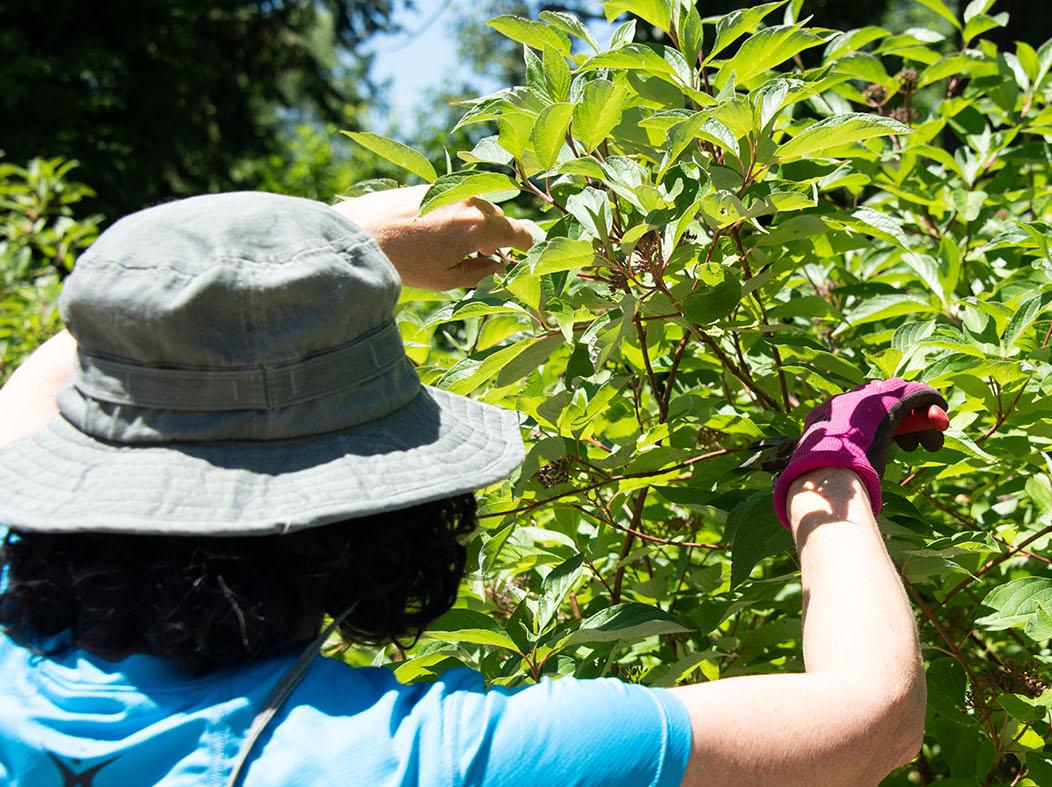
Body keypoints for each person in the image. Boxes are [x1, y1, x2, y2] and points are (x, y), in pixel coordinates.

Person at [0, 186, 947, 786]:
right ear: (377, 510)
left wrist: (333, 250)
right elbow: (871, 718)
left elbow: (46, 380)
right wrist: (830, 469)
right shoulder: (428, 759)